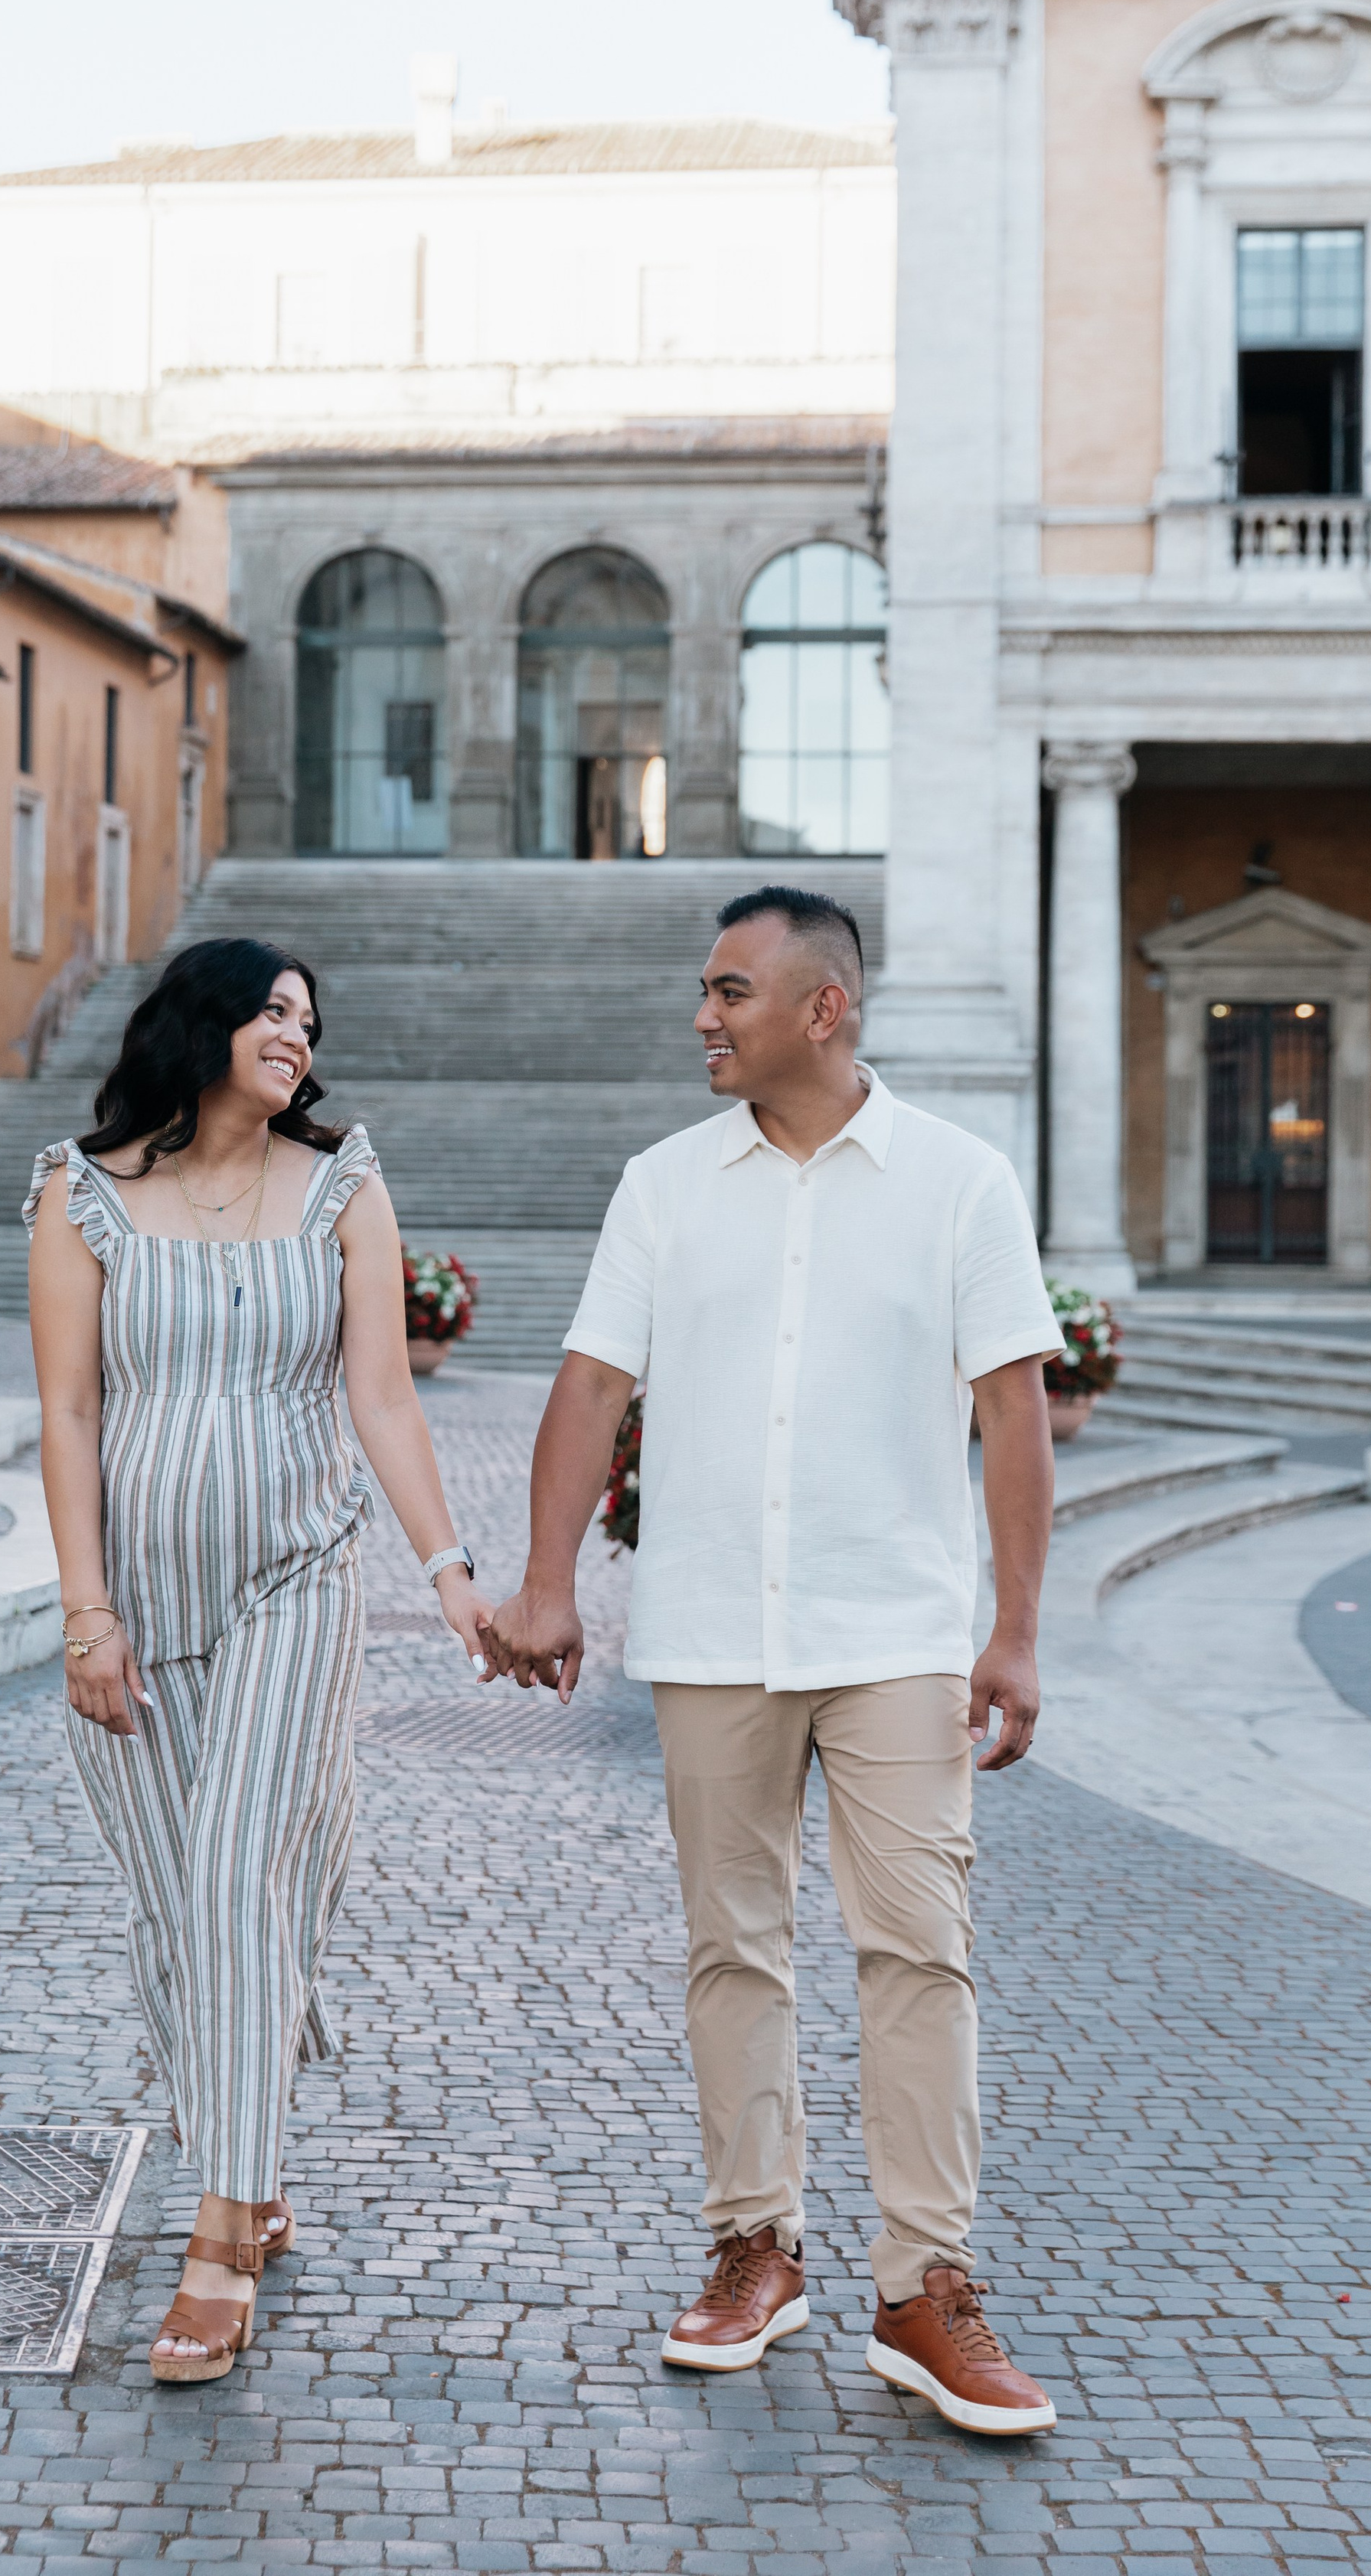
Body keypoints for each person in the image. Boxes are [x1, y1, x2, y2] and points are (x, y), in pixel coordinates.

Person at [486, 885, 1064, 2435]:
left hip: (892, 1631)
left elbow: (1012, 1410)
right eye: (701, 989)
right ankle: (754, 2248)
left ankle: (921, 2285)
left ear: (825, 1008)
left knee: (916, 1949)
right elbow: (590, 1381)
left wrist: (1009, 1628)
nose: (701, 1016)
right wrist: (545, 1583)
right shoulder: (664, 1185)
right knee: (729, 1945)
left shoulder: (955, 1180)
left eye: (729, 991)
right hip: (710, 1629)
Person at [26, 937, 495, 2386]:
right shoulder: (80, 1193)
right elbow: (68, 1417)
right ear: (204, 1022)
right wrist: (86, 1617)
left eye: (309, 1017)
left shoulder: (344, 1185)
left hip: (296, 1580)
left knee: (237, 1874)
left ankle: (221, 2232)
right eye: (272, 1011)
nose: (295, 1034)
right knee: (184, 1914)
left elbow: (385, 1402)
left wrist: (450, 1570)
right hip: (141, 1610)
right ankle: (254, 2152)